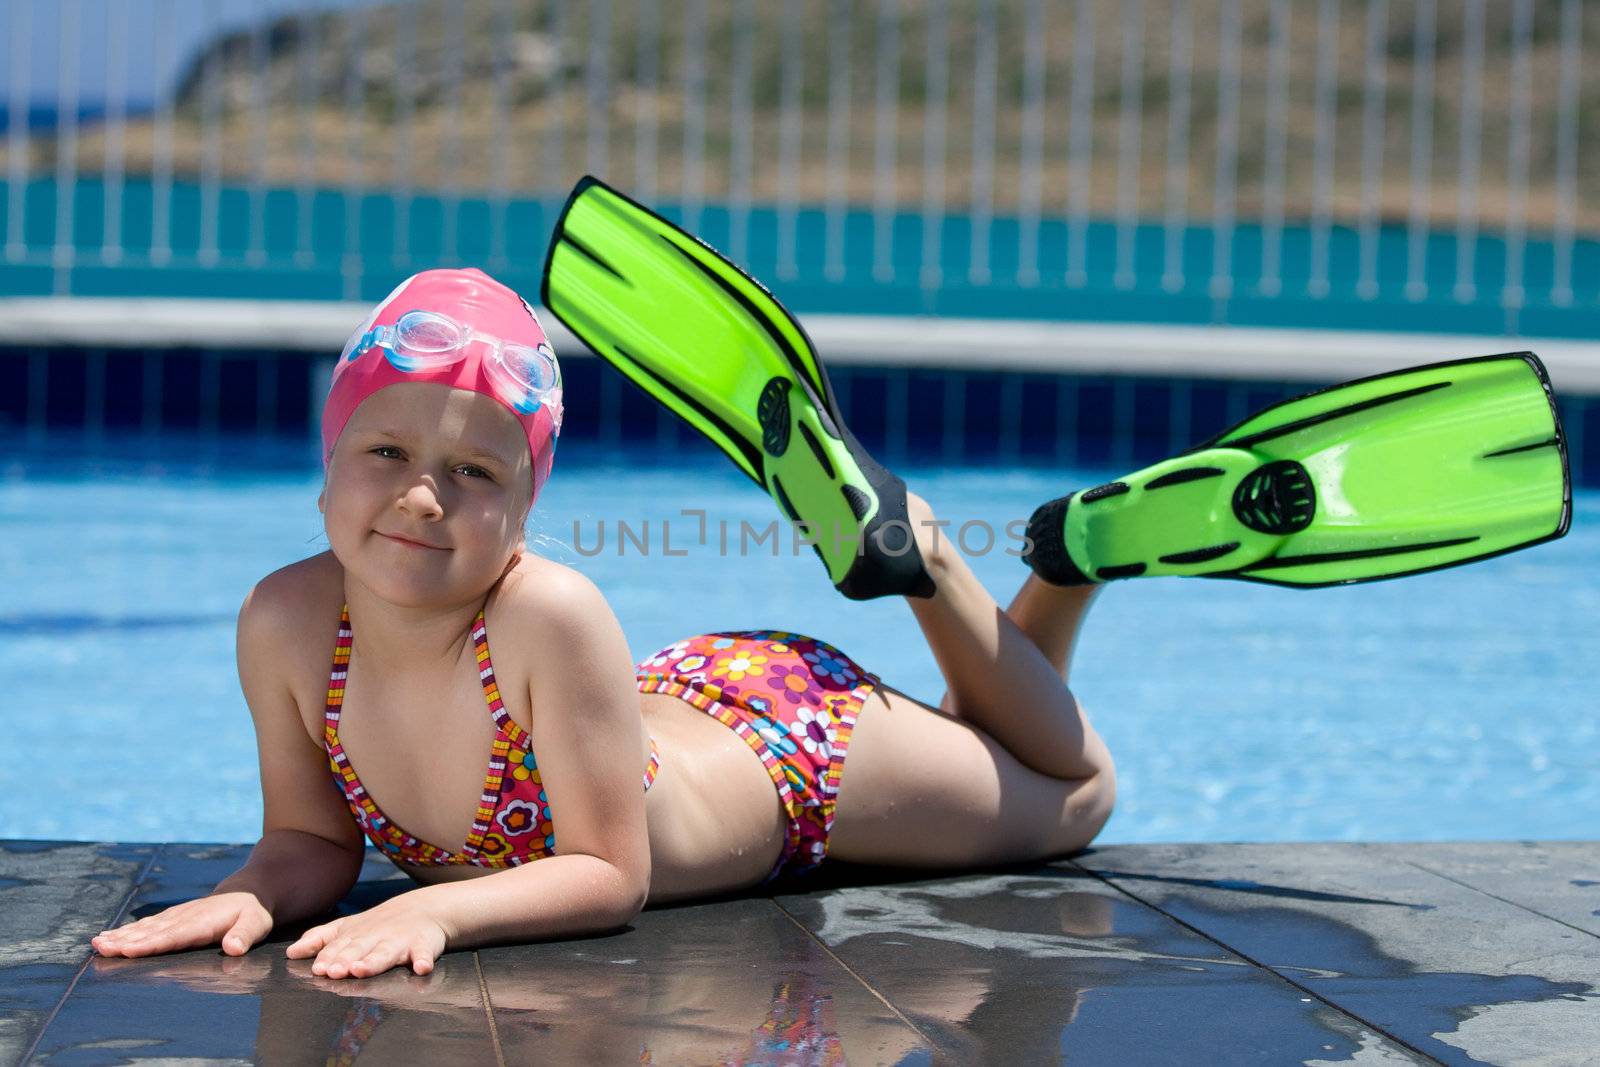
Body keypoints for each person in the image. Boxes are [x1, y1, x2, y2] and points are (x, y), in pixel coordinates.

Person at [89, 268, 1116, 980]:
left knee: (1073, 798)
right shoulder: (285, 619)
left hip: (793, 749)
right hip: (676, 697)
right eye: (386, 454)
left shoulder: (546, 610)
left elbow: (608, 874)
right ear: (325, 468)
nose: (420, 497)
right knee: (995, 743)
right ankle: (1057, 569)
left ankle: (931, 559)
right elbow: (313, 838)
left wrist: (435, 905)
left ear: (525, 513)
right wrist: (257, 892)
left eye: (474, 472)